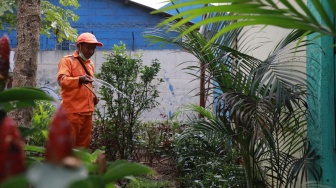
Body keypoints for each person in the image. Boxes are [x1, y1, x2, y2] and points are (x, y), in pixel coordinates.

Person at [57, 32, 103, 148]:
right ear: (79, 46)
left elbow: (87, 86)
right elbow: (62, 81)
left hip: (87, 112)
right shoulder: (67, 61)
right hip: (72, 112)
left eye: (93, 49)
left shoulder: (90, 64)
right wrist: (79, 79)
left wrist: (93, 97)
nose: (91, 52)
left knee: (83, 146)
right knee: (69, 146)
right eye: (88, 48)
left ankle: (80, 166)